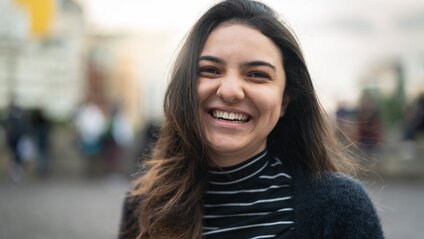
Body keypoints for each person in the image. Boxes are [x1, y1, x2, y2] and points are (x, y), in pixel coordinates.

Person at [118, 0, 384, 238]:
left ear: (284, 101)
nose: (230, 91)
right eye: (210, 70)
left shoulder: (338, 207)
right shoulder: (143, 204)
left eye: (257, 74)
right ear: (184, 87)